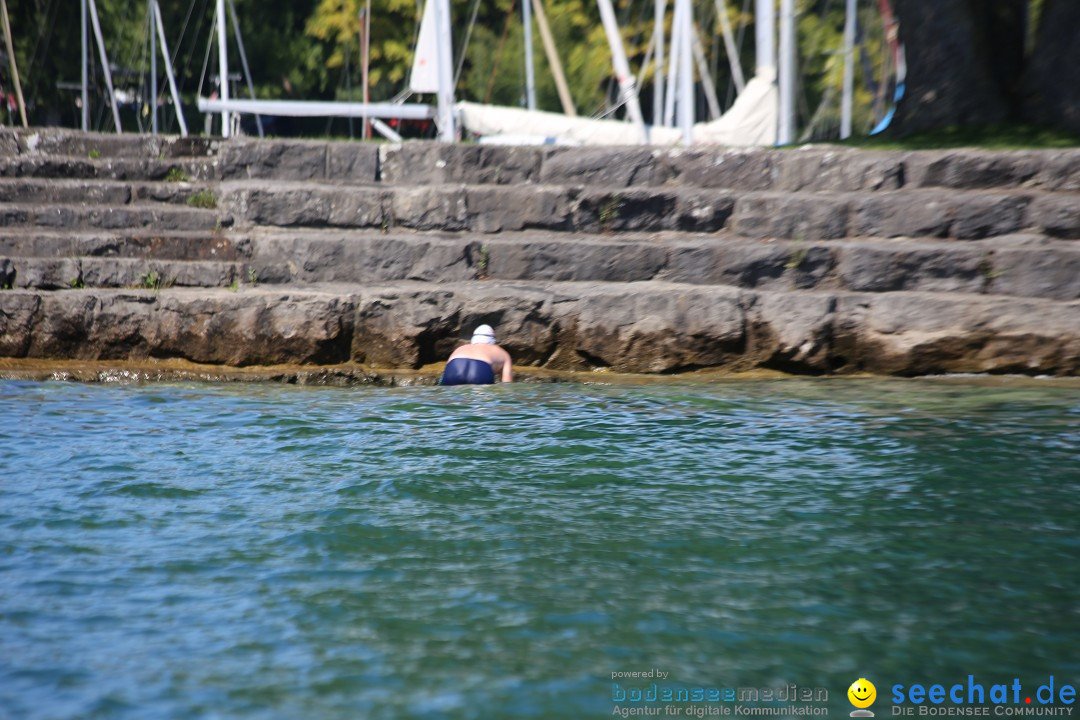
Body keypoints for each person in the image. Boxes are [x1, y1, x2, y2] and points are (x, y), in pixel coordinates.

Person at [440, 324, 513, 385]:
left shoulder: (460, 349)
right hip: (480, 369)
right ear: (492, 340)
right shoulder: (502, 352)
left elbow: (443, 375)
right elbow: (506, 384)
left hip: (455, 366)